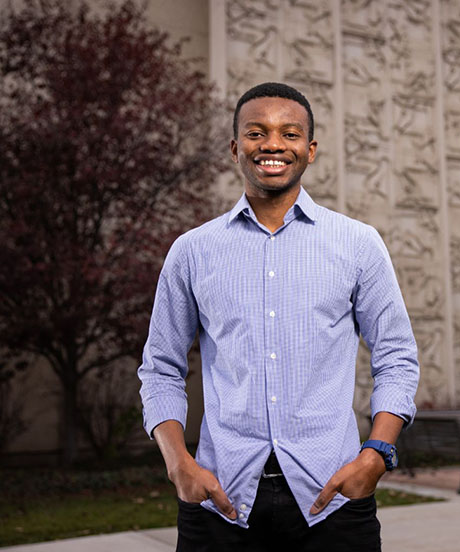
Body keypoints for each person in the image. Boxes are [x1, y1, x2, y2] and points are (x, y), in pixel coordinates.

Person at [138, 82, 419, 551]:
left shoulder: (357, 244)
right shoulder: (192, 252)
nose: (272, 144)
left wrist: (376, 454)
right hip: (220, 501)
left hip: (333, 501)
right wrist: (178, 464)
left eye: (289, 134)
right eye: (256, 132)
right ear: (235, 149)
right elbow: (161, 366)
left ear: (309, 151)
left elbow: (396, 356)